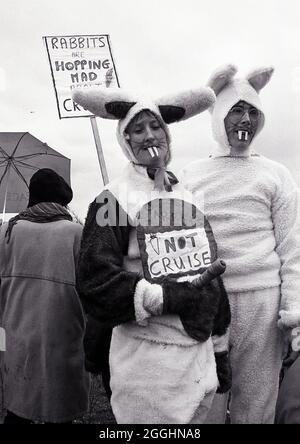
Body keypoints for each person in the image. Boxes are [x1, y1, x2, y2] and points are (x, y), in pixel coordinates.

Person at [73, 86, 231, 424]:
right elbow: (94, 280)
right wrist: (165, 298)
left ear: (167, 134)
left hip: (198, 359)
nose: (148, 136)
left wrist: (220, 348)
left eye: (155, 127)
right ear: (125, 140)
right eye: (137, 129)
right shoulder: (111, 200)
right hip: (147, 362)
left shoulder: (188, 194)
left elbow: (208, 271)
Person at [180, 64, 300, 424]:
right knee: (205, 403)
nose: (244, 119)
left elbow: (291, 248)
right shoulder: (191, 175)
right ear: (218, 116)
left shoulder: (276, 174)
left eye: (252, 111)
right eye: (235, 109)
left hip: (263, 303)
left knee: (257, 405)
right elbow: (179, 244)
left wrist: (293, 311)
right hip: (207, 298)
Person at [0, 168, 89, 424]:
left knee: (18, 408)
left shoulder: (6, 231)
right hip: (62, 336)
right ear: (62, 201)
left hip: (16, 334)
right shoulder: (75, 233)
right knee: (60, 409)